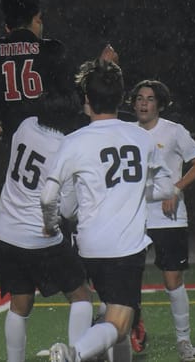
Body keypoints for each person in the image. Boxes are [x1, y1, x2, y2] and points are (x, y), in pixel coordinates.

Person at [41, 59, 174, 362]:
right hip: (125, 247)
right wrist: (139, 190)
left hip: (88, 246)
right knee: (119, 321)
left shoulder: (74, 141)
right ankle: (73, 355)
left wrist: (50, 225)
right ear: (122, 98)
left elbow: (49, 196)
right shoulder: (141, 136)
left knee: (116, 327)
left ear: (87, 101)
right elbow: (167, 189)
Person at [0, 92, 93, 362]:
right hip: (40, 237)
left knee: (20, 305)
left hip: (5, 234)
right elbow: (66, 209)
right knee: (81, 297)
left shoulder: (25, 126)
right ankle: (77, 356)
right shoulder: (66, 147)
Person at [0, 0, 117, 144]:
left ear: (8, 27)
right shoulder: (52, 49)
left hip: (12, 139)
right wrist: (102, 66)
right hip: (47, 138)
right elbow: (76, 95)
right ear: (36, 19)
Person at [130, 79, 195, 362]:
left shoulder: (175, 132)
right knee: (127, 279)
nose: (143, 103)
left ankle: (183, 340)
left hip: (168, 219)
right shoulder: (126, 133)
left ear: (160, 104)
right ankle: (132, 327)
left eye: (149, 99)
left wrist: (175, 189)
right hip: (133, 218)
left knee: (173, 280)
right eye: (139, 98)